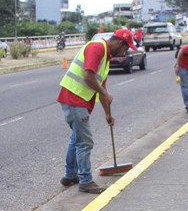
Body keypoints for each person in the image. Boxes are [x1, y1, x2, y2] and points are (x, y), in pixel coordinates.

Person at [56, 27, 137, 194]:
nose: (125, 51)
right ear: (120, 43)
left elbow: (101, 88)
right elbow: (88, 77)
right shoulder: (97, 48)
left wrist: (108, 114)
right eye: (126, 47)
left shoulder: (106, 57)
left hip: (78, 100)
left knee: (76, 138)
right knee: (85, 142)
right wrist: (105, 93)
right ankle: (85, 181)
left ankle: (70, 175)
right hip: (74, 98)